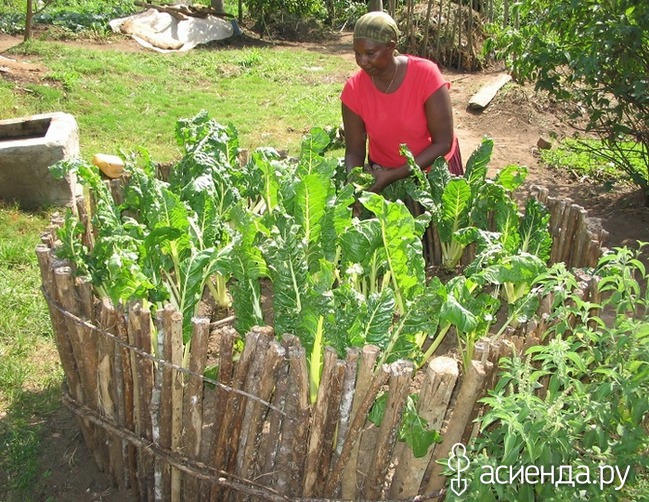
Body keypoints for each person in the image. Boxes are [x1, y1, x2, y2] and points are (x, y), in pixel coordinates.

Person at [341, 11, 463, 193]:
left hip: (433, 172)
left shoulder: (425, 75)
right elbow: (354, 152)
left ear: (391, 46)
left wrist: (394, 175)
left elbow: (443, 143)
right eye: (357, 53)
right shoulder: (353, 90)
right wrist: (354, 182)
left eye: (370, 53)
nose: (362, 61)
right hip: (382, 173)